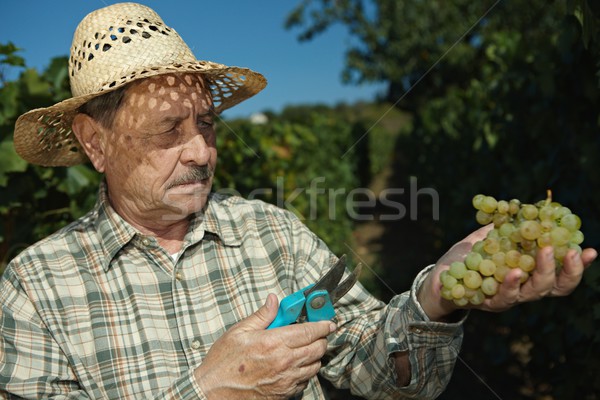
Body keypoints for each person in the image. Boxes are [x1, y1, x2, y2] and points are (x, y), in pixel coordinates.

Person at [1, 3, 596, 399]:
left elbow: (374, 368)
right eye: (166, 131)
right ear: (94, 142)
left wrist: (436, 299)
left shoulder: (272, 233)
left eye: (206, 125)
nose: (202, 153)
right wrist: (206, 392)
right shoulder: (35, 291)